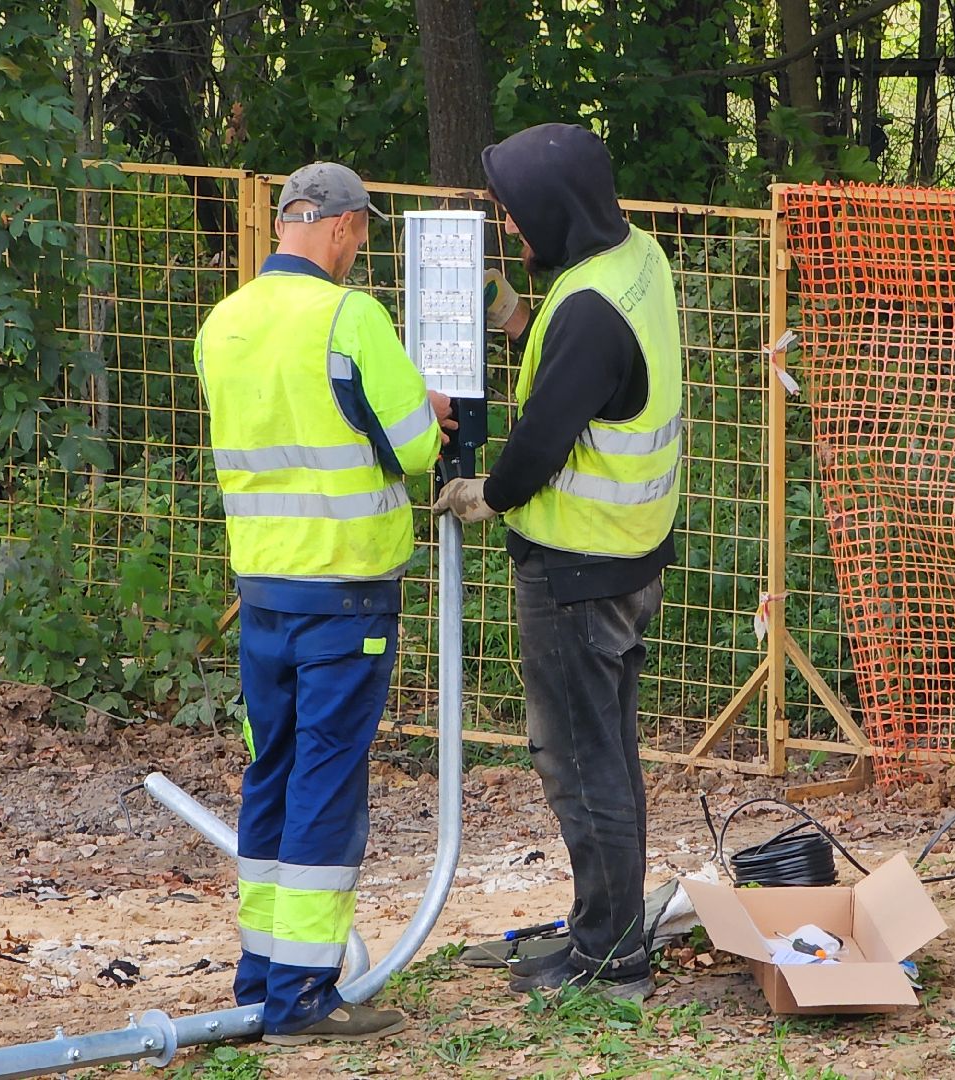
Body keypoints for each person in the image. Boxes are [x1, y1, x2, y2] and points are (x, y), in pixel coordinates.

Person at [195, 162, 452, 1043]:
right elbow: (416, 450)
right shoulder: (352, 318)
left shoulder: (222, 325)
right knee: (326, 778)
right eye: (362, 233)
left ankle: (260, 974)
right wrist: (430, 407)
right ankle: (304, 991)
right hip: (345, 595)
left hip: (263, 592)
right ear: (339, 227)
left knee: (271, 768)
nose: (360, 247)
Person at [433, 123, 683, 1002]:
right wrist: (514, 318)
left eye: (514, 214)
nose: (509, 230)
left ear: (554, 209)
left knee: (581, 763)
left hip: (576, 570)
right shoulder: (633, 258)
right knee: (607, 753)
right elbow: (590, 362)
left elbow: (543, 434)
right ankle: (608, 937)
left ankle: (611, 962)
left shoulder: (588, 310)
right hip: (628, 560)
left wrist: (489, 494)